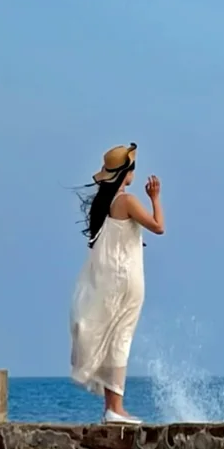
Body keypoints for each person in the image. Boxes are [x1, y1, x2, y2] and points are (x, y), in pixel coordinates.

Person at [69, 143, 165, 424]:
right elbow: (159, 226)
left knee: (113, 337)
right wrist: (155, 198)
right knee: (121, 337)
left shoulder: (106, 204)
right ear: (127, 172)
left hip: (109, 278)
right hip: (126, 279)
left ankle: (113, 406)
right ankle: (115, 408)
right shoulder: (126, 201)